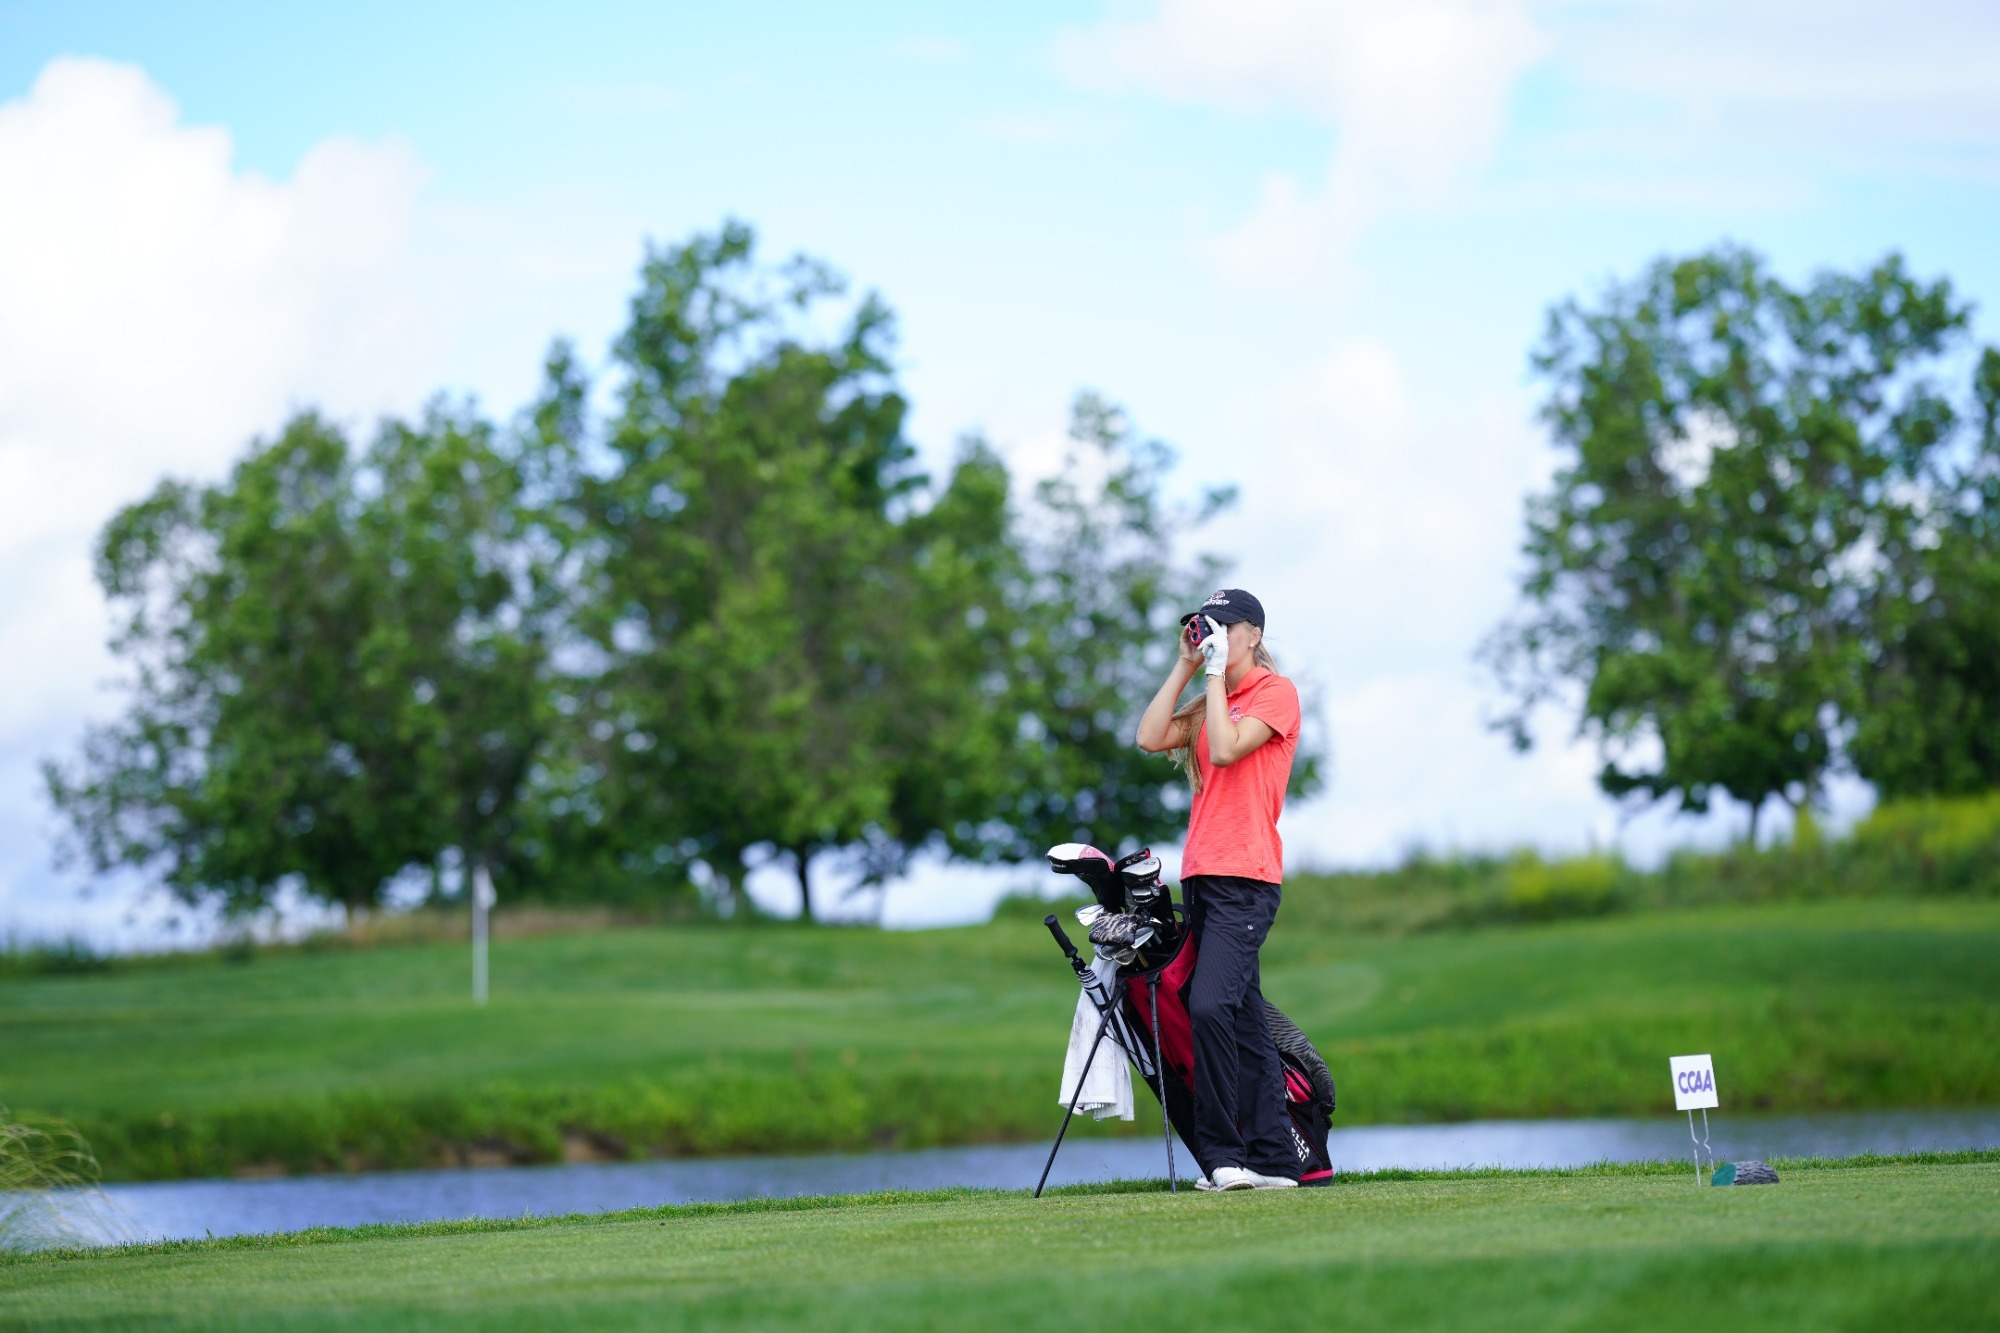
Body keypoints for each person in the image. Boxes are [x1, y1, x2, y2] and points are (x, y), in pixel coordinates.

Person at [1134, 588, 1304, 1191]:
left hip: (1248, 878)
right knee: (1247, 1024)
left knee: (1207, 1006)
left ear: (1253, 634)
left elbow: (1229, 750)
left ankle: (1224, 1158)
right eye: (1208, 630)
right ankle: (1278, 1163)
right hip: (1204, 876)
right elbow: (1150, 736)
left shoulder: (1273, 694)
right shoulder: (1215, 695)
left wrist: (1210, 677)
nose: (1216, 639)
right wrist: (1187, 664)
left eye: (1225, 629)